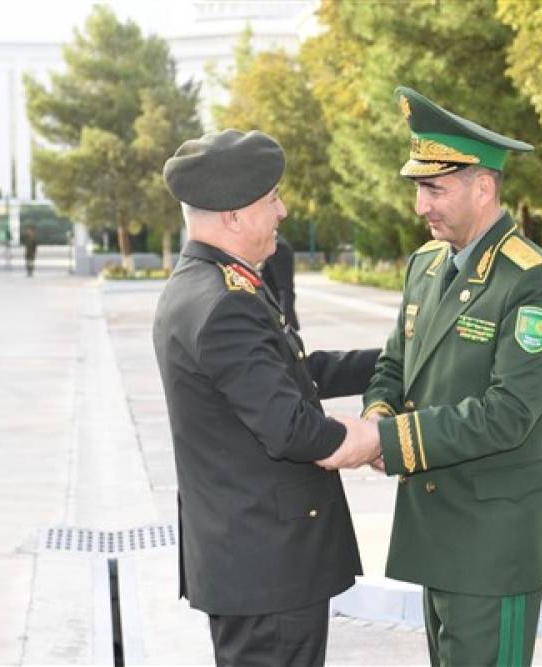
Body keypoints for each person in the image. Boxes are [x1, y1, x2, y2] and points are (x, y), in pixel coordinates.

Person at [359, 87, 542, 666]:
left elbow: (508, 415)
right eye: (419, 189)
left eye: (435, 189)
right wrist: (378, 413)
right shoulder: (425, 266)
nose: (421, 207)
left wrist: (390, 442)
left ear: (483, 187)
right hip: (436, 531)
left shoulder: (532, 282)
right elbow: (392, 368)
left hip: (492, 544)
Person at [152, 129, 382, 667]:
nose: (282, 210)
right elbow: (292, 427)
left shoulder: (204, 284)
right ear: (234, 216)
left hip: (250, 559)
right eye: (271, 199)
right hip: (268, 569)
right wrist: (372, 438)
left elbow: (293, 373)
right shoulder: (223, 302)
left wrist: (399, 357)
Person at [262, 233, 300, 330]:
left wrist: (282, 325)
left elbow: (285, 291)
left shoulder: (278, 246)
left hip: (276, 323)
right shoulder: (265, 244)